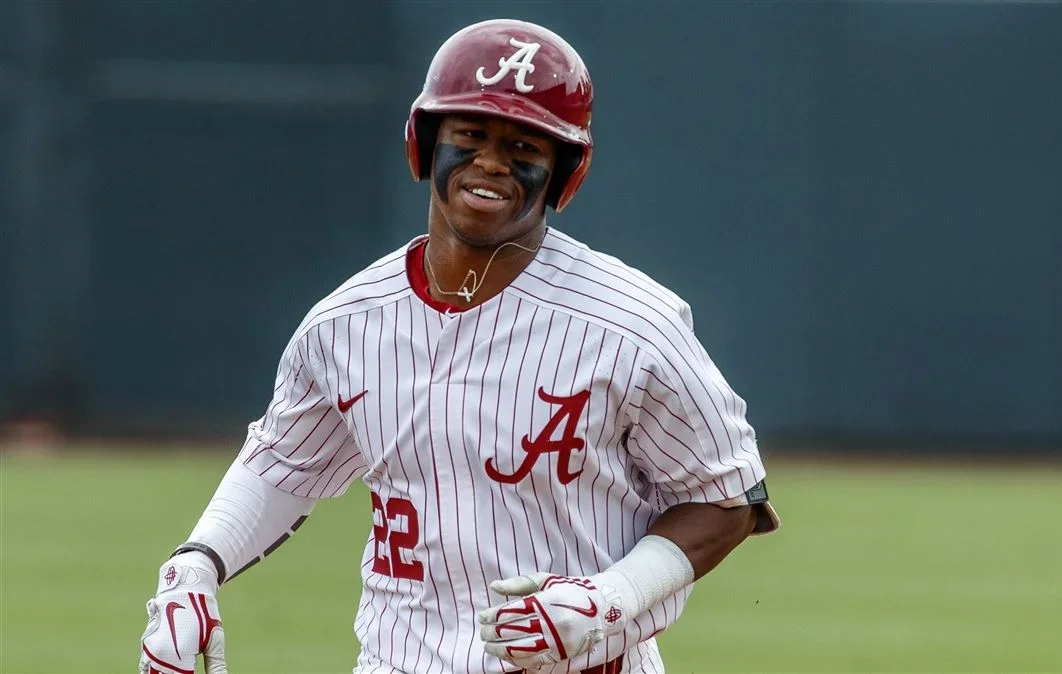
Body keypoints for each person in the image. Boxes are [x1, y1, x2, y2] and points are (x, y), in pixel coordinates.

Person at [138, 18, 779, 674]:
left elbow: (728, 500)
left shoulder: (634, 324)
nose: (493, 162)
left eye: (525, 144)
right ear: (424, 143)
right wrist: (194, 567)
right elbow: (279, 467)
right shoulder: (345, 323)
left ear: (563, 169)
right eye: (470, 135)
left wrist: (612, 597)